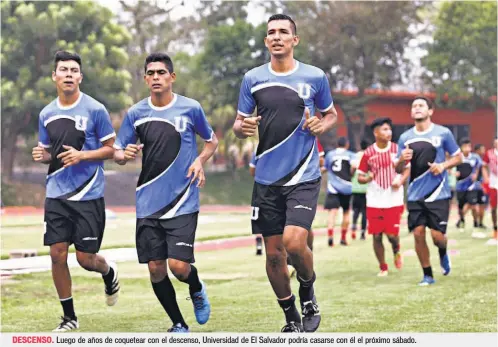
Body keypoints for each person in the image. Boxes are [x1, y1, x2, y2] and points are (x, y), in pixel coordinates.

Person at [233, 14, 337, 332]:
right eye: (271, 33)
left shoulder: (315, 77)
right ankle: (291, 316)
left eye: (283, 32)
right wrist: (242, 127)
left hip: (303, 175)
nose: (277, 37)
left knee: (294, 243)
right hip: (266, 179)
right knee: (275, 255)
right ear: (266, 41)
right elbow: (239, 124)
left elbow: (330, 114)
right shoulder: (252, 79)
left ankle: (307, 288)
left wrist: (323, 123)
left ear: (295, 40)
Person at [114, 53, 218, 332]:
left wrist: (200, 160)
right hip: (147, 203)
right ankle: (178, 324)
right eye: (151, 73)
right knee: (156, 268)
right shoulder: (136, 114)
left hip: (183, 200)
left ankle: (195, 287)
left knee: (179, 267)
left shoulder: (190, 108)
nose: (156, 77)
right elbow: (118, 152)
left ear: (172, 77)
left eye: (162, 72)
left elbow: (211, 141)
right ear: (146, 79)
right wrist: (125, 153)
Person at [32, 51, 120, 332]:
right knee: (57, 254)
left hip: (87, 195)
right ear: (54, 77)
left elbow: (111, 149)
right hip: (56, 193)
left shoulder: (95, 110)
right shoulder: (46, 113)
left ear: (80, 77)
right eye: (63, 70)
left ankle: (109, 271)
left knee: (85, 259)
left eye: (73, 70)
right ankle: (69, 318)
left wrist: (82, 156)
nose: (68, 74)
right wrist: (42, 155)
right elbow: (50, 153)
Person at [395, 96, 461, 286]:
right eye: (414, 106)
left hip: (438, 193)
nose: (417, 108)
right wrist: (401, 159)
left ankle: (442, 252)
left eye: (421, 105)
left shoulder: (443, 133)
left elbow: (458, 158)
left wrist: (443, 165)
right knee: (417, 233)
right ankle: (427, 275)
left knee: (437, 236)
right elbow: (399, 169)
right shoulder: (405, 137)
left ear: (430, 111)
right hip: (415, 194)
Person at [357, 118, 410, 276]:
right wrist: (367, 179)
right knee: (377, 234)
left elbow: (407, 169)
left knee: (392, 235)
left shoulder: (397, 149)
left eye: (389, 129)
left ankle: (396, 249)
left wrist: (400, 180)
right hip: (374, 199)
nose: (389, 132)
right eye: (385, 129)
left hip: (393, 199)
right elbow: (360, 176)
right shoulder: (368, 153)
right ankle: (383, 267)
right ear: (376, 133)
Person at [324, 137, 356, 246]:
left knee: (332, 213)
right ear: (347, 144)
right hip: (347, 188)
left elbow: (326, 168)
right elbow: (353, 168)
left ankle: (330, 236)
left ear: (337, 144)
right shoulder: (351, 154)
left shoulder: (330, 155)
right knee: (346, 212)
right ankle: (343, 238)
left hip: (333, 188)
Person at [454, 138, 484, 237]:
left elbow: (479, 166)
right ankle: (461, 220)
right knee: (461, 206)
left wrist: (476, 174)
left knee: (473, 205)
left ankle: (476, 223)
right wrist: (454, 173)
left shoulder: (475, 157)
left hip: (472, 185)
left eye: (469, 146)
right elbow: (450, 167)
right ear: (461, 148)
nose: (467, 148)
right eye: (465, 146)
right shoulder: (458, 157)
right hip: (460, 186)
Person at [351, 139, 370, 240]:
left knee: (355, 210)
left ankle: (353, 227)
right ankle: (362, 233)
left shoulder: (355, 156)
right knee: (364, 212)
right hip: (366, 187)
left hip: (355, 187)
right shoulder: (369, 156)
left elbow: (352, 169)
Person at [481, 138, 498, 240]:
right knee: (493, 207)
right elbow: (483, 166)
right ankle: (495, 229)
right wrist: (486, 177)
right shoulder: (489, 153)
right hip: (493, 183)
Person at [474, 144, 489, 229]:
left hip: (479, 184)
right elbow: (483, 167)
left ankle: (479, 223)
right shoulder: (476, 158)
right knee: (477, 204)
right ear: (477, 150)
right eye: (482, 149)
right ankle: (478, 222)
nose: (484, 150)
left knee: (480, 204)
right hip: (478, 185)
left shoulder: (478, 158)